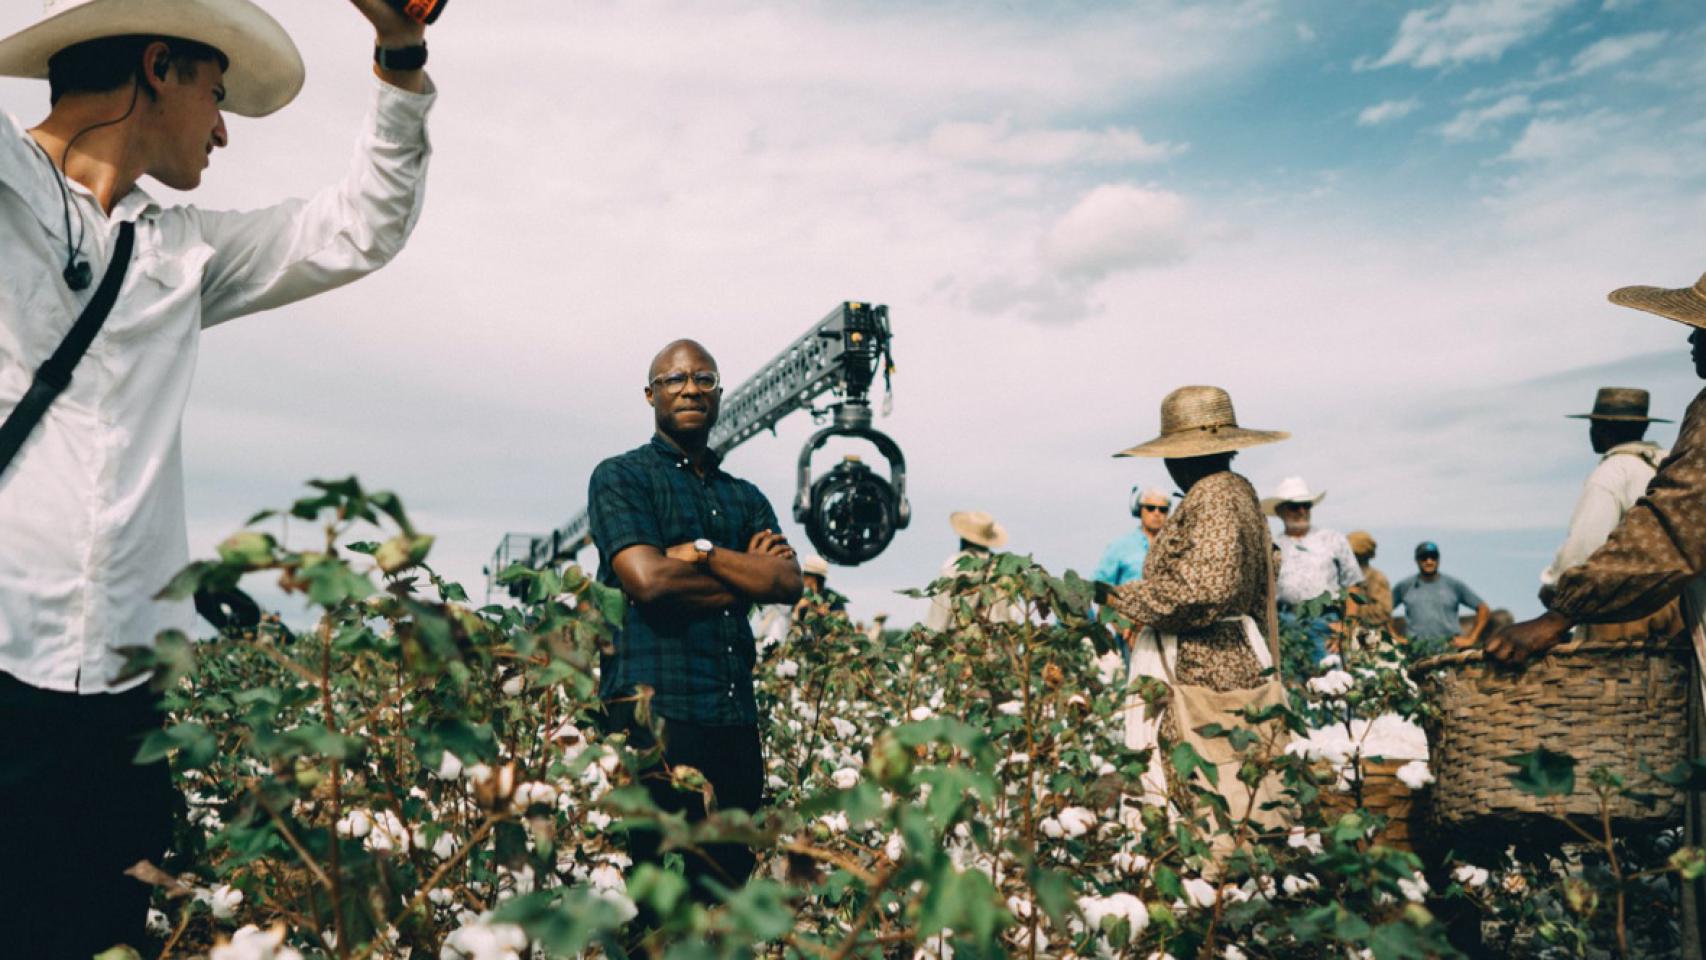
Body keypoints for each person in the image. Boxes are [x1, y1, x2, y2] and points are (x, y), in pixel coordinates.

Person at [0, 1, 435, 953]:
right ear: (159, 65)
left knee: (98, 935)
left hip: (126, 696)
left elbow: (360, 225)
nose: (225, 128)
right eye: (217, 90)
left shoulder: (180, 252)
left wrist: (401, 55)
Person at [1487, 274, 1706, 958]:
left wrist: (1556, 617)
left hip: (1622, 604)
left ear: (1604, 429)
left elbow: (1668, 531)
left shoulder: (1614, 472)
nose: (1695, 343)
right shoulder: (1650, 459)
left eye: (1703, 331)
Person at [587, 339, 803, 901]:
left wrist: (702, 554)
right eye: (673, 380)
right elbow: (649, 582)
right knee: (656, 895)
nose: (689, 389)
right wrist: (742, 577)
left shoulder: (744, 497)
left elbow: (786, 582)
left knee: (726, 893)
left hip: (732, 721)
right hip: (655, 720)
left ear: (719, 395)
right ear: (650, 395)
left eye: (703, 379)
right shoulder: (620, 478)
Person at [1102, 385, 1287, 815]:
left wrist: (1120, 598)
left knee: (1203, 788)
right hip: (1232, 656)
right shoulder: (1238, 493)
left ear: (1180, 456)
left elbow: (1203, 591)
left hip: (1204, 665)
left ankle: (1205, 876)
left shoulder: (1214, 497)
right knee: (1237, 781)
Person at [1539, 387, 1670, 599]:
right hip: (1682, 599)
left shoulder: (1611, 473)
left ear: (1602, 428)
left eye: (1594, 425)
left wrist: (1554, 584)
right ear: (1644, 426)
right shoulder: (1671, 463)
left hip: (1632, 603)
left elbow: (1585, 547)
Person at [1264, 476, 1362, 669]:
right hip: (1285, 626)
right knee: (1292, 689)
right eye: (1294, 506)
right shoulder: (1271, 547)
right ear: (1280, 511)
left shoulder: (1333, 540)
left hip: (1327, 624)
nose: (1301, 511)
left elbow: (1353, 584)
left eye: (1306, 505)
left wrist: (1348, 627)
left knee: (1333, 686)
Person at [923, 510, 1017, 631]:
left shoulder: (954, 566)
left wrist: (923, 647)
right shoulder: (1003, 570)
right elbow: (1012, 617)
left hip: (961, 646)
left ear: (963, 538)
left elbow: (937, 620)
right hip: (999, 646)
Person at [1391, 542, 1489, 656]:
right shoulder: (1405, 586)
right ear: (1416, 560)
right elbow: (1381, 611)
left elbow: (1483, 609)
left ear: (1438, 559)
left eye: (1433, 557)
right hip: (1414, 652)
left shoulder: (1453, 585)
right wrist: (1394, 636)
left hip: (1449, 651)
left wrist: (1471, 638)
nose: (1429, 561)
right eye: (1424, 557)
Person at [1093, 487, 1171, 587]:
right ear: (1139, 510)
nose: (1157, 513)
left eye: (1163, 510)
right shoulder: (1120, 546)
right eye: (1150, 508)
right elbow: (1099, 582)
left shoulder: (1176, 547)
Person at [1346, 530, 1393, 630]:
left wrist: (1352, 609)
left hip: (1372, 635)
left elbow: (1383, 612)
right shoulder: (1343, 579)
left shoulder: (1377, 578)